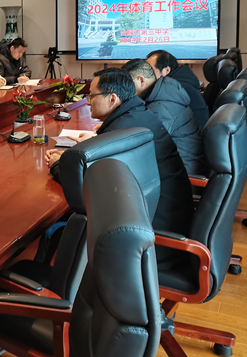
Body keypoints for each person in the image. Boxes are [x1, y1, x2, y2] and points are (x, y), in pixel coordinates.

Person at [46, 68, 193, 266]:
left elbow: (88, 189)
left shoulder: (121, 129)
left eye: (91, 96)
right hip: (165, 220)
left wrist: (58, 165)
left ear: (112, 98)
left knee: (62, 226)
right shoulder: (138, 115)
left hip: (150, 241)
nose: (87, 102)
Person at [123, 59, 207, 176]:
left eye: (127, 85)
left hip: (182, 176)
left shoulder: (160, 107)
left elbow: (143, 148)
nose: (126, 91)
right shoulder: (165, 93)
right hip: (181, 167)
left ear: (141, 80)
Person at [146, 50, 209, 129]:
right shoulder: (182, 80)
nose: (145, 75)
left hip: (192, 134)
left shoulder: (175, 89)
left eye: (150, 70)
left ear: (167, 70)